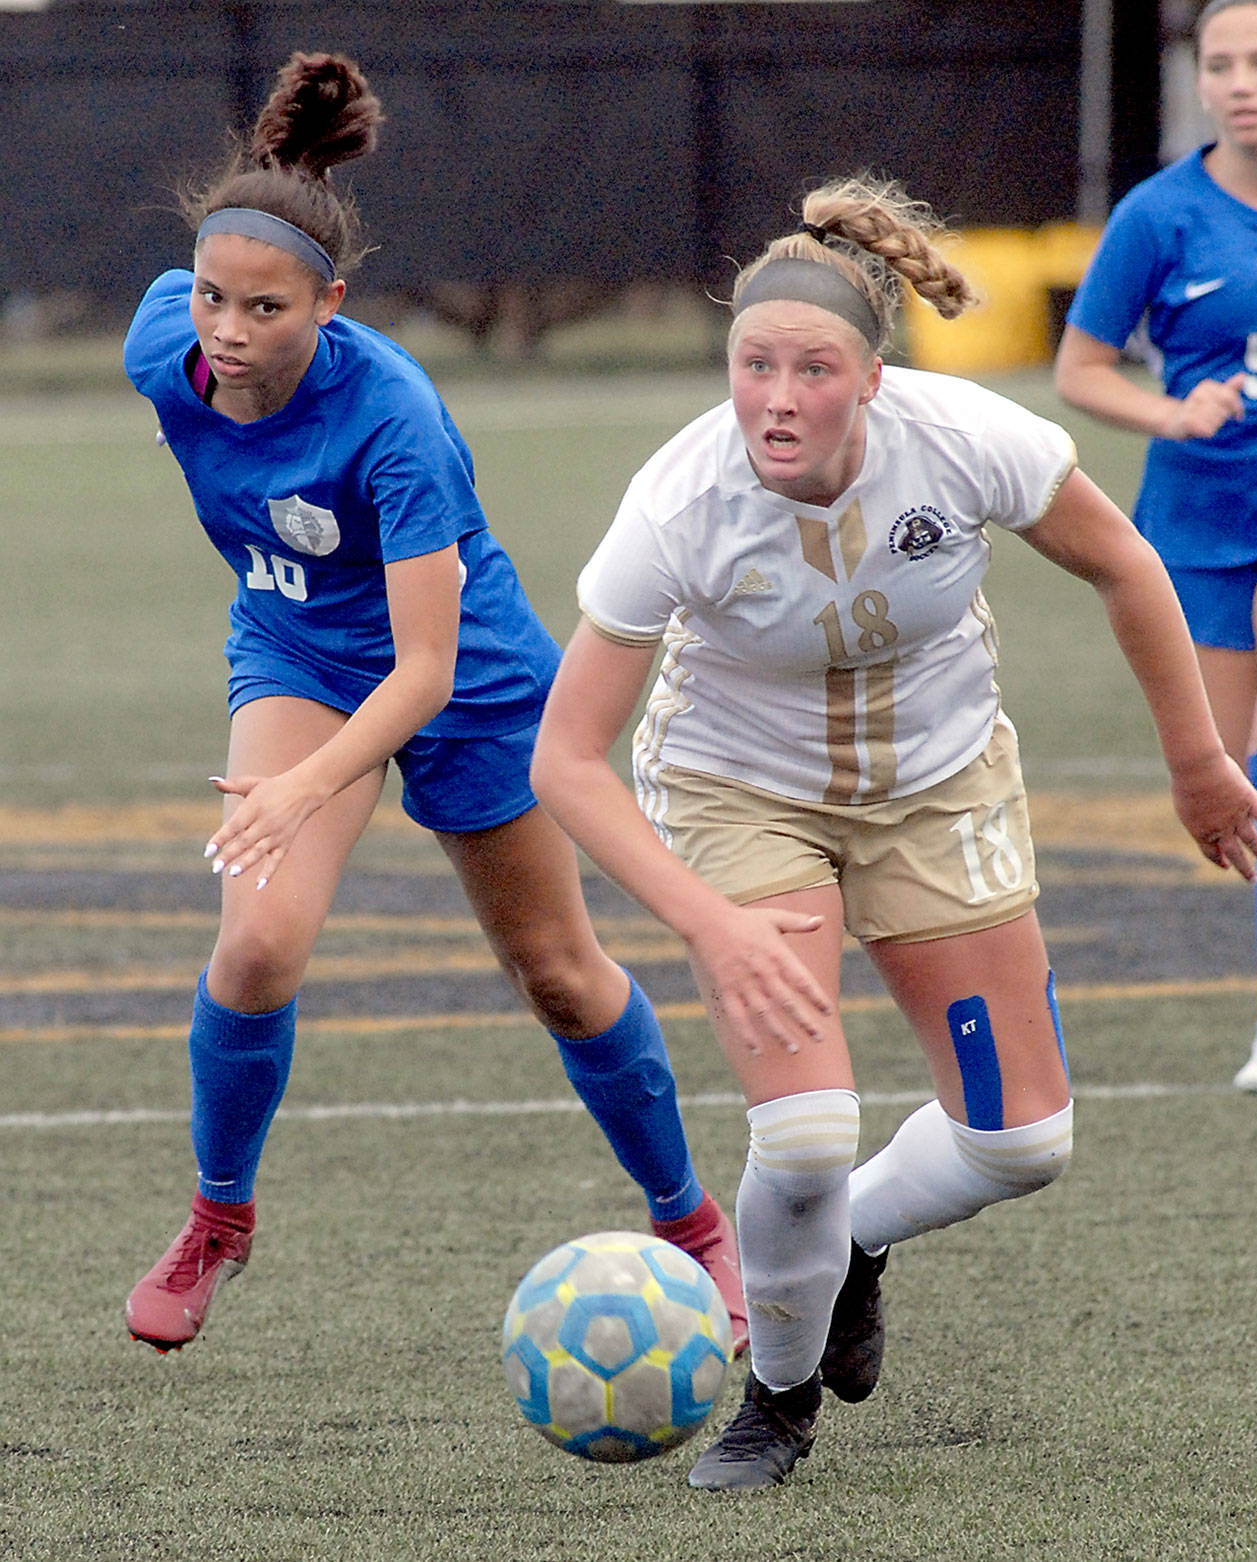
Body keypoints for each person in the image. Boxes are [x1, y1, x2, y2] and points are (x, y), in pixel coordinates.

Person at [529, 172, 1257, 1491]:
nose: (772, 396)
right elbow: (565, 760)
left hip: (938, 782)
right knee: (807, 1132)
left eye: (809, 368)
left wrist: (1200, 765)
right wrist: (712, 924)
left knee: (1019, 1142)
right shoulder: (681, 500)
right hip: (739, 796)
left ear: (871, 379)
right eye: (750, 364)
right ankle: (774, 1394)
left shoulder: (964, 438)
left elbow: (1126, 564)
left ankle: (860, 1240)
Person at [120, 51, 746, 1356]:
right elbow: (194, 328)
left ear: (330, 305)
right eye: (211, 299)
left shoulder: (395, 416)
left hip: (459, 676)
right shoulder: (160, 345)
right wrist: (300, 768)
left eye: (265, 309)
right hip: (297, 654)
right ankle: (219, 1217)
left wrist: (302, 785)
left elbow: (427, 669)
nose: (226, 332)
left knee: (563, 976)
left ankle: (692, 1222)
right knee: (255, 947)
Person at [1055, 0, 1257, 1093]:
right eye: (1220, 63)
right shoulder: (1157, 216)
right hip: (1198, 521)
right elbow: (1078, 370)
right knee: (1237, 778)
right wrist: (1172, 413)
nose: (1240, 82)